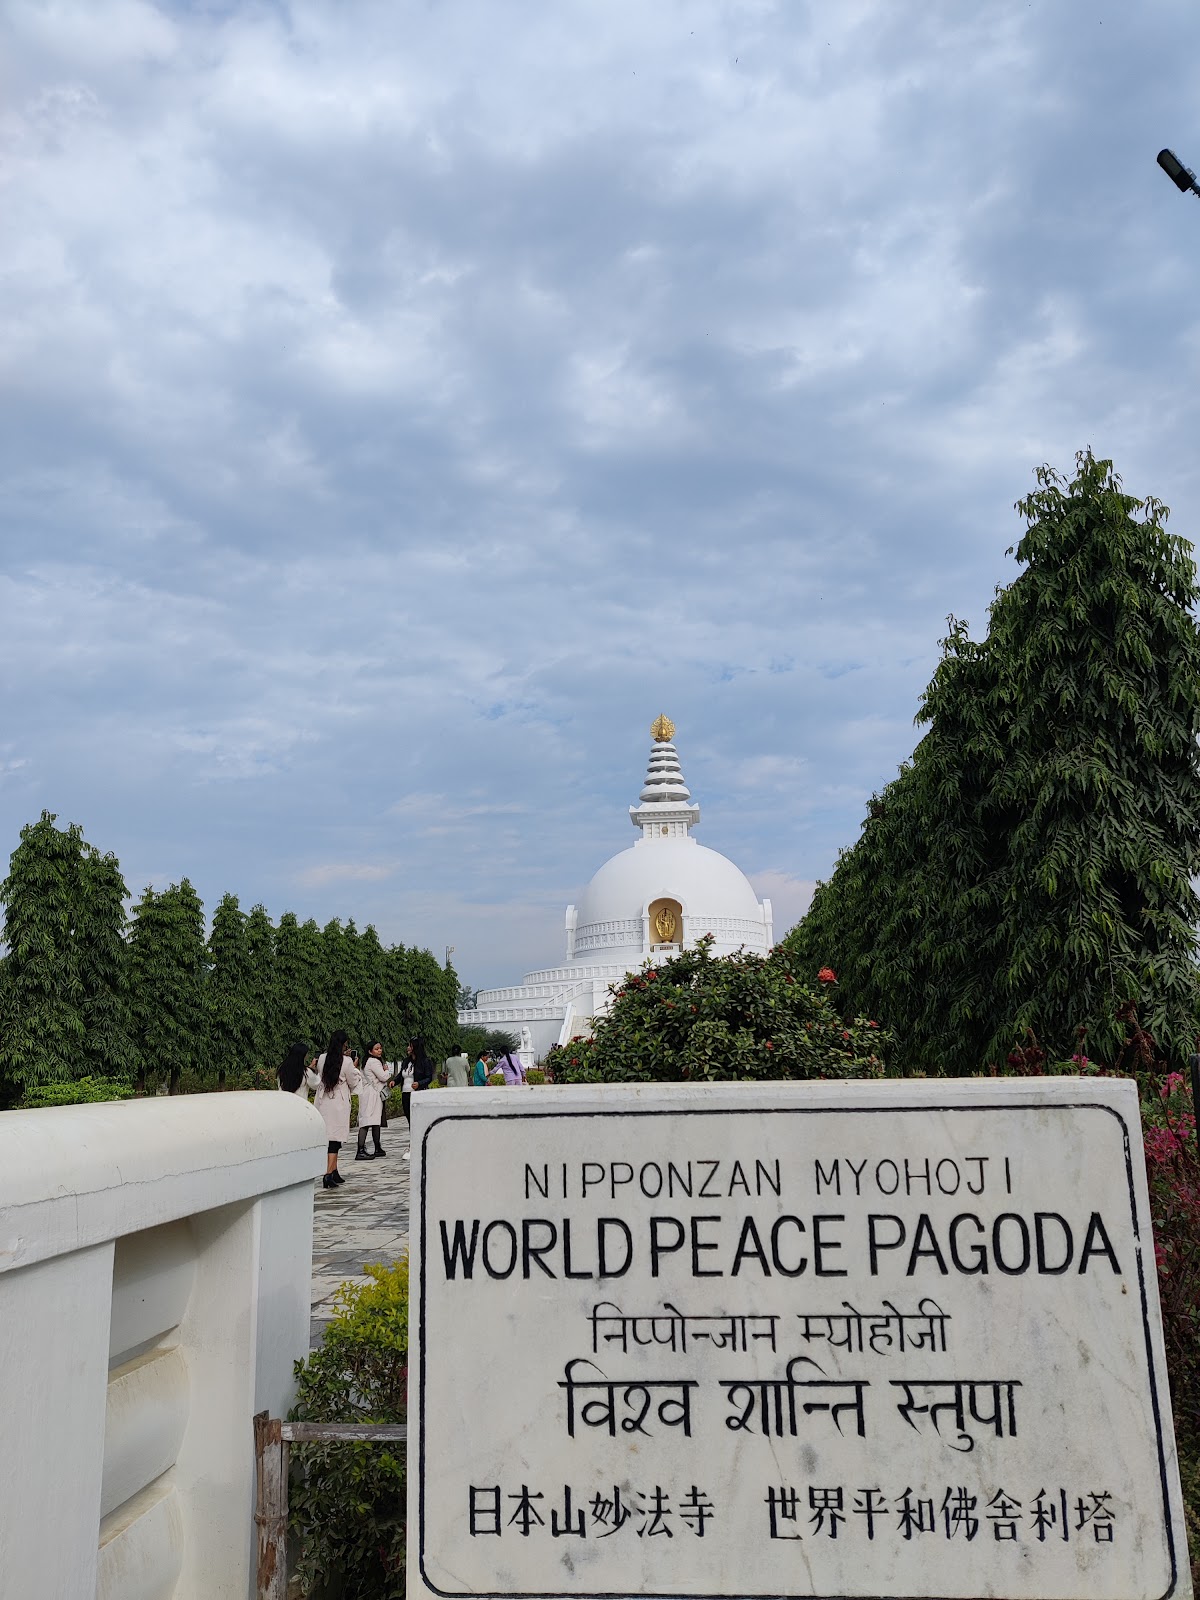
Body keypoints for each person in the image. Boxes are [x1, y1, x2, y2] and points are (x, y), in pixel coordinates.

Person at [306, 1030, 362, 1188]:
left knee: (330, 1136)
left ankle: (334, 1170)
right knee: (335, 1138)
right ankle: (328, 1173)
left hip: (324, 1100)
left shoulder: (322, 1058)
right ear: (344, 1044)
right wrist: (355, 1067)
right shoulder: (347, 1061)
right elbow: (351, 1081)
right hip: (339, 1102)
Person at [356, 1042, 391, 1159]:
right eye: (376, 1049)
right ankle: (361, 1150)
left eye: (380, 1048)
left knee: (373, 1120)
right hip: (373, 1095)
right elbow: (384, 1077)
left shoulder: (365, 1062)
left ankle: (377, 1148)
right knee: (368, 1121)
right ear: (370, 1051)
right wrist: (386, 1070)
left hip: (367, 1093)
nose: (380, 1051)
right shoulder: (374, 1062)